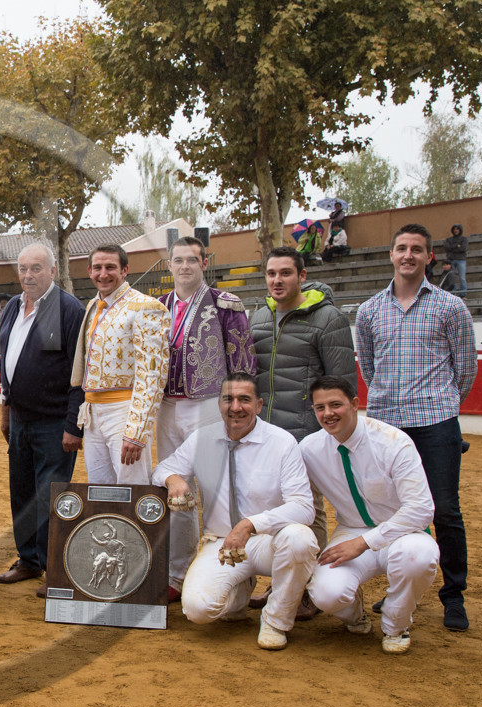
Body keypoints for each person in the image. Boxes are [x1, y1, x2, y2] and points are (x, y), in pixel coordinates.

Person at [356, 223, 477, 631]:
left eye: (417, 249)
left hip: (436, 423)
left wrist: (439, 405)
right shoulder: (369, 310)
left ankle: (453, 596)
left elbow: (466, 370)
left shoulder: (450, 307)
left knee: (444, 510)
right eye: (402, 248)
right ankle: (399, 589)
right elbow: (369, 370)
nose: (408, 255)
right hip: (387, 425)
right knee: (392, 510)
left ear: (430, 257)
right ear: (391, 254)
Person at [152, 373, 317, 650]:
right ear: (218, 404)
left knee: (301, 539)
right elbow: (162, 469)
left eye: (244, 399)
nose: (236, 407)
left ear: (260, 404)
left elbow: (303, 507)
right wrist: (173, 479)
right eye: (228, 399)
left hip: (269, 542)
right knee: (197, 610)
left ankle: (276, 621)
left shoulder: (282, 442)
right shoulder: (202, 439)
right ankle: (239, 593)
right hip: (220, 543)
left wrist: (250, 524)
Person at [248, 246, 356, 618]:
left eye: (285, 273)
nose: (277, 281)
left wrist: (330, 431)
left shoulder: (328, 319)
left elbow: (341, 383)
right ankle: (282, 582)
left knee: (309, 511)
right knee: (270, 507)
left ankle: (309, 588)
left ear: (302, 276)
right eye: (271, 274)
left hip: (308, 432)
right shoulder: (258, 316)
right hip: (266, 433)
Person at [300, 376, 440, 654]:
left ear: (354, 404)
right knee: (326, 594)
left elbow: (421, 509)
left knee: (419, 558)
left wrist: (364, 543)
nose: (328, 414)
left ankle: (396, 625)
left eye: (336, 404)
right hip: (352, 529)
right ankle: (355, 615)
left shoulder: (393, 442)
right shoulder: (309, 449)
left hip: (402, 532)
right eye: (320, 407)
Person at [157, 236, 255, 601]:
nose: (184, 266)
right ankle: (177, 575)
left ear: (204, 263)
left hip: (209, 404)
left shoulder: (225, 303)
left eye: (191, 260)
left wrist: (236, 410)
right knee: (177, 489)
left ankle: (235, 572)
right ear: (169, 265)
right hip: (167, 406)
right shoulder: (157, 306)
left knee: (219, 489)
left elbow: (242, 360)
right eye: (178, 260)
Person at [0, 242, 85, 596]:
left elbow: (81, 373)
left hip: (53, 423)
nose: (28, 275)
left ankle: (54, 570)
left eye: (36, 268)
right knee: (22, 492)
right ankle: (28, 559)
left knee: (51, 497)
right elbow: (6, 364)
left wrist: (72, 424)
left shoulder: (67, 309)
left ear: (52, 271)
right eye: (23, 269)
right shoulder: (12, 308)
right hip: (19, 420)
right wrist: (5, 411)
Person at [70, 244, 170, 485]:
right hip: (93, 413)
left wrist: (137, 431)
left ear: (125, 270)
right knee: (99, 488)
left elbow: (152, 374)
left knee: (132, 488)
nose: (103, 274)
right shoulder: (93, 307)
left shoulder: (145, 306)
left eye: (110, 267)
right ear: (89, 271)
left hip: (124, 411)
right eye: (97, 268)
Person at [444, 224, 468, 296]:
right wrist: (457, 246)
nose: (456, 230)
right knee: (452, 278)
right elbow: (446, 248)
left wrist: (452, 248)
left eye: (457, 229)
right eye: (454, 229)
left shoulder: (464, 239)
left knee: (462, 278)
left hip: (461, 260)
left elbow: (463, 248)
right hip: (451, 259)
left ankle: (463, 294)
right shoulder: (449, 240)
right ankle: (453, 293)